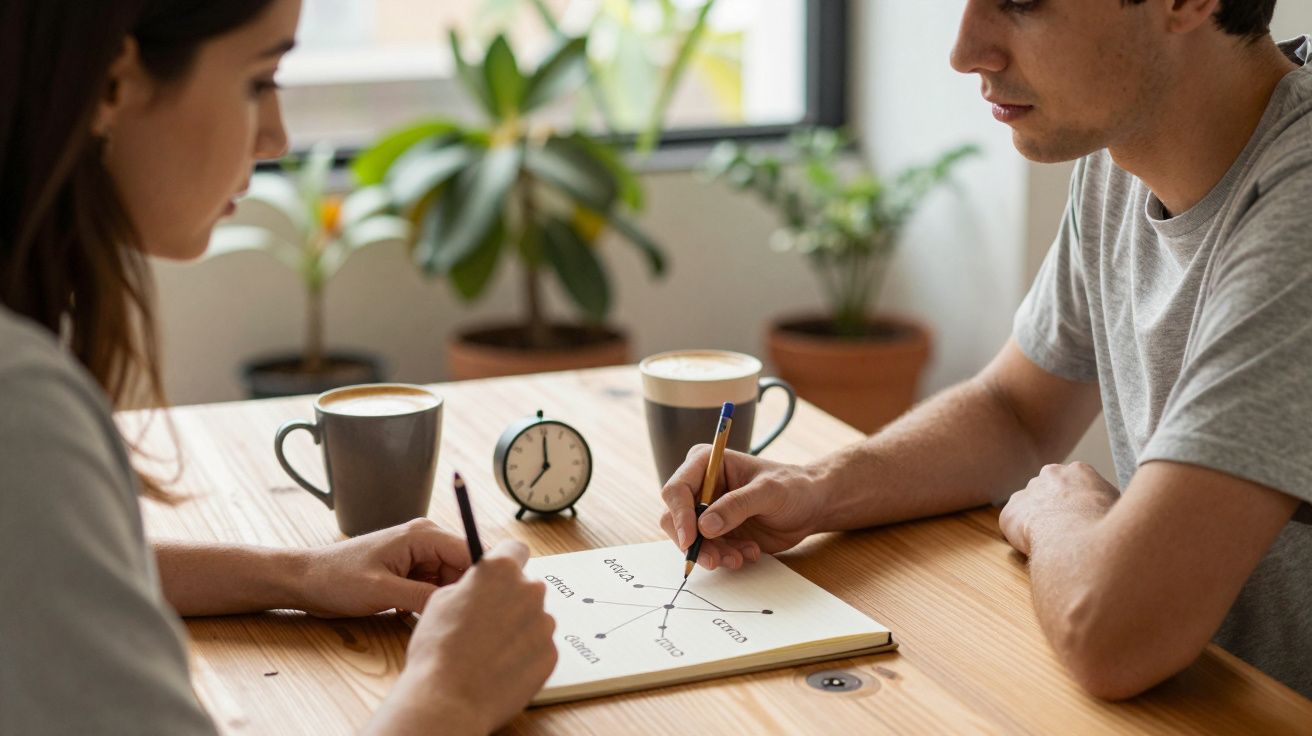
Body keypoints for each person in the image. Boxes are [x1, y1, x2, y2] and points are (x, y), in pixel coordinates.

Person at [661, 0, 1312, 701]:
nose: (966, 51)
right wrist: (817, 490)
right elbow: (1015, 412)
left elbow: (1115, 634)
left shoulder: (1298, 210)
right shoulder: (1125, 159)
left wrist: (1064, 514)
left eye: (1021, 4)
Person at [0, 1, 555, 733]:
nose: (277, 138)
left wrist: (298, 574)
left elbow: (42, 571)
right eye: (260, 80)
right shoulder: (20, 405)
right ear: (112, 84)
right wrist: (450, 694)